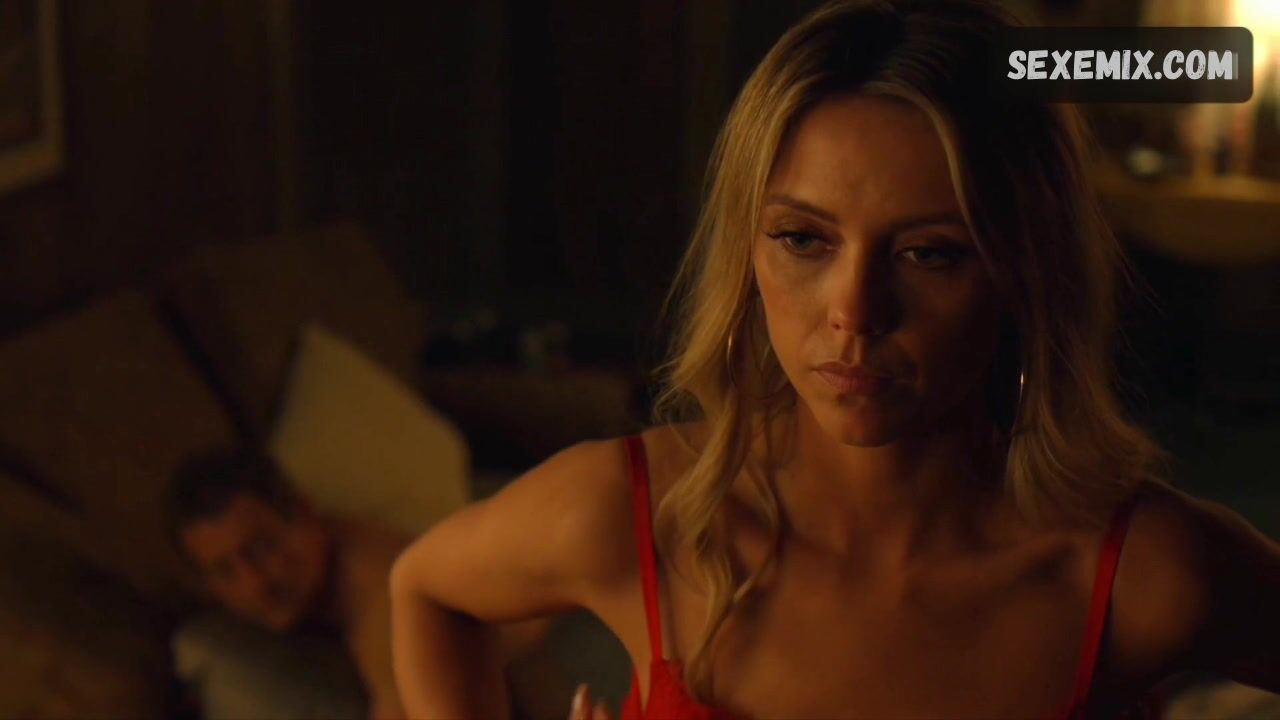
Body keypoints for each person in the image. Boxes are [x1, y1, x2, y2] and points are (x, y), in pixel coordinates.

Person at [389, 1, 1280, 718]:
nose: (854, 312)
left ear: (1026, 273)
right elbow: (428, 590)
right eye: (803, 239)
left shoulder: (1145, 577)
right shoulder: (638, 517)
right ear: (747, 253)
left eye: (929, 253)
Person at [167, 447, 545, 720]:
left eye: (263, 549)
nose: (255, 584)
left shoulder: (381, 597)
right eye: (224, 571)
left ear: (305, 513)